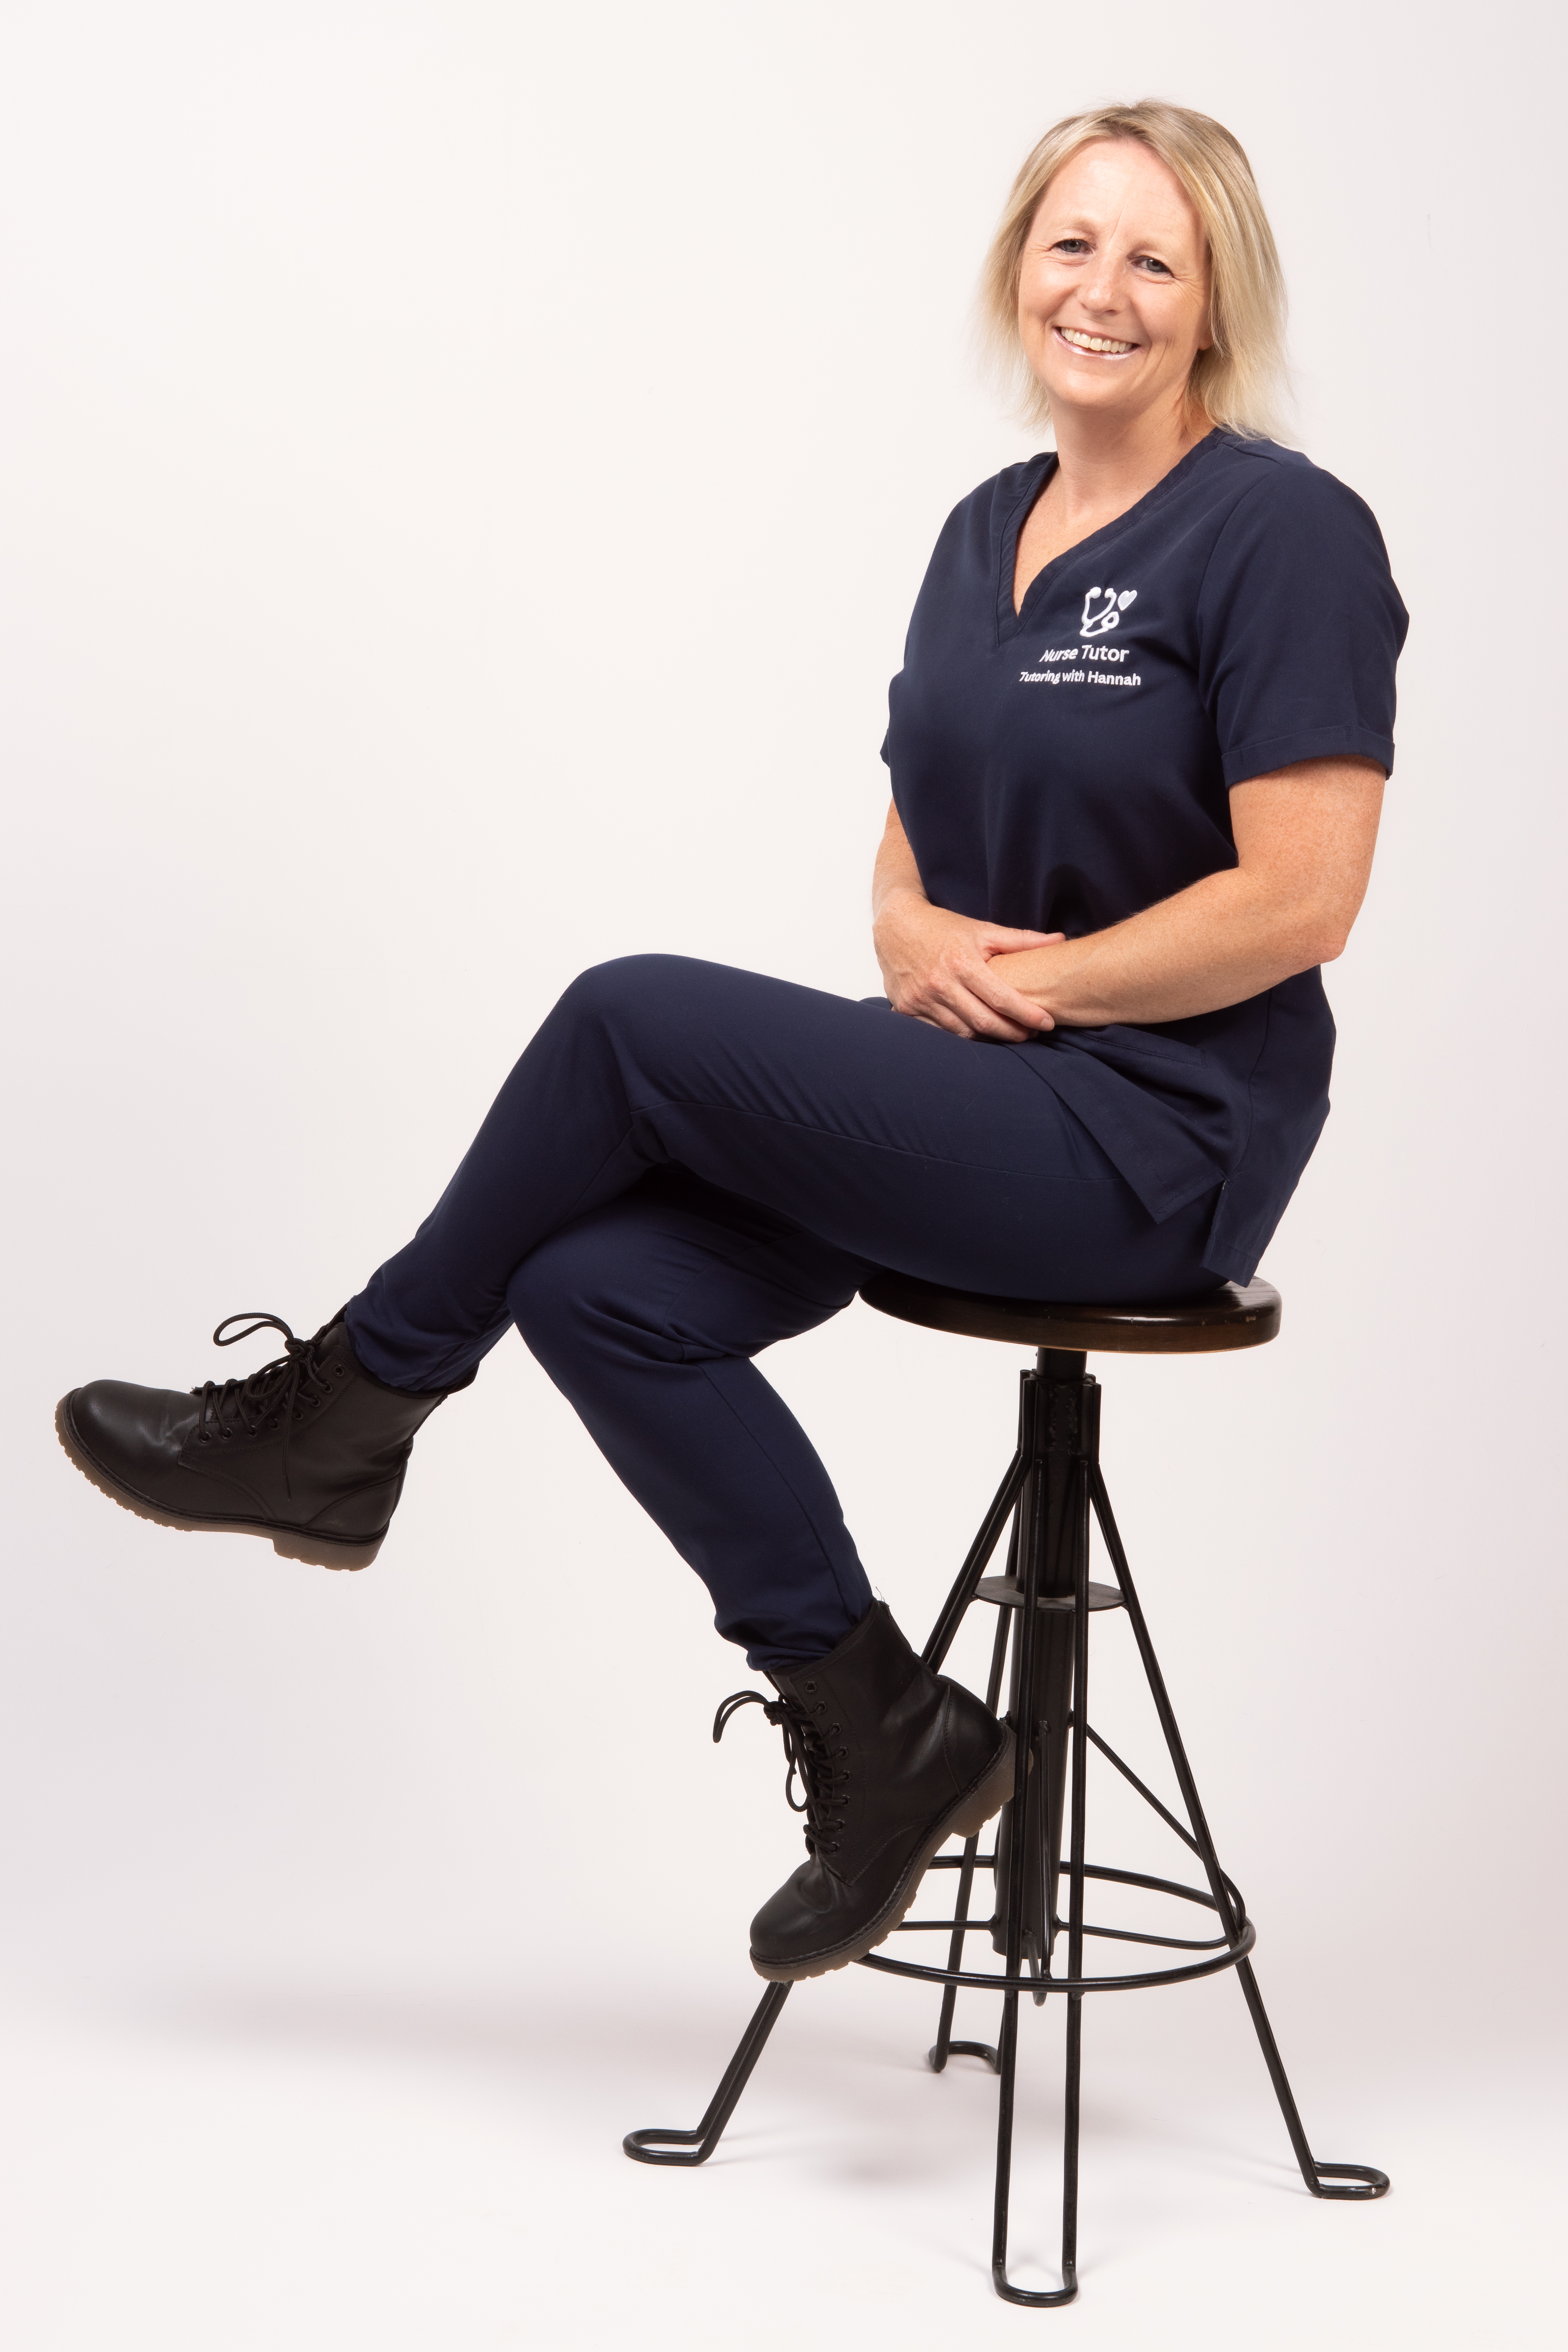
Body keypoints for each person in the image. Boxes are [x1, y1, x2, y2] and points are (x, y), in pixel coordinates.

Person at [54, 102, 1406, 1988]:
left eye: (1153, 259)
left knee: (625, 1018)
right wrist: (919, 939)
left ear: (1214, 302)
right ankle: (875, 1719)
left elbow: (1304, 897)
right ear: (1019, 263)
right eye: (1069, 244)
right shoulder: (979, 533)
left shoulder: (1286, 532)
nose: (1100, 291)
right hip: (979, 1081)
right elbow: (908, 855)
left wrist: (1050, 983)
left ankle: (350, 1405)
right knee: (596, 1280)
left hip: (1153, 1132)